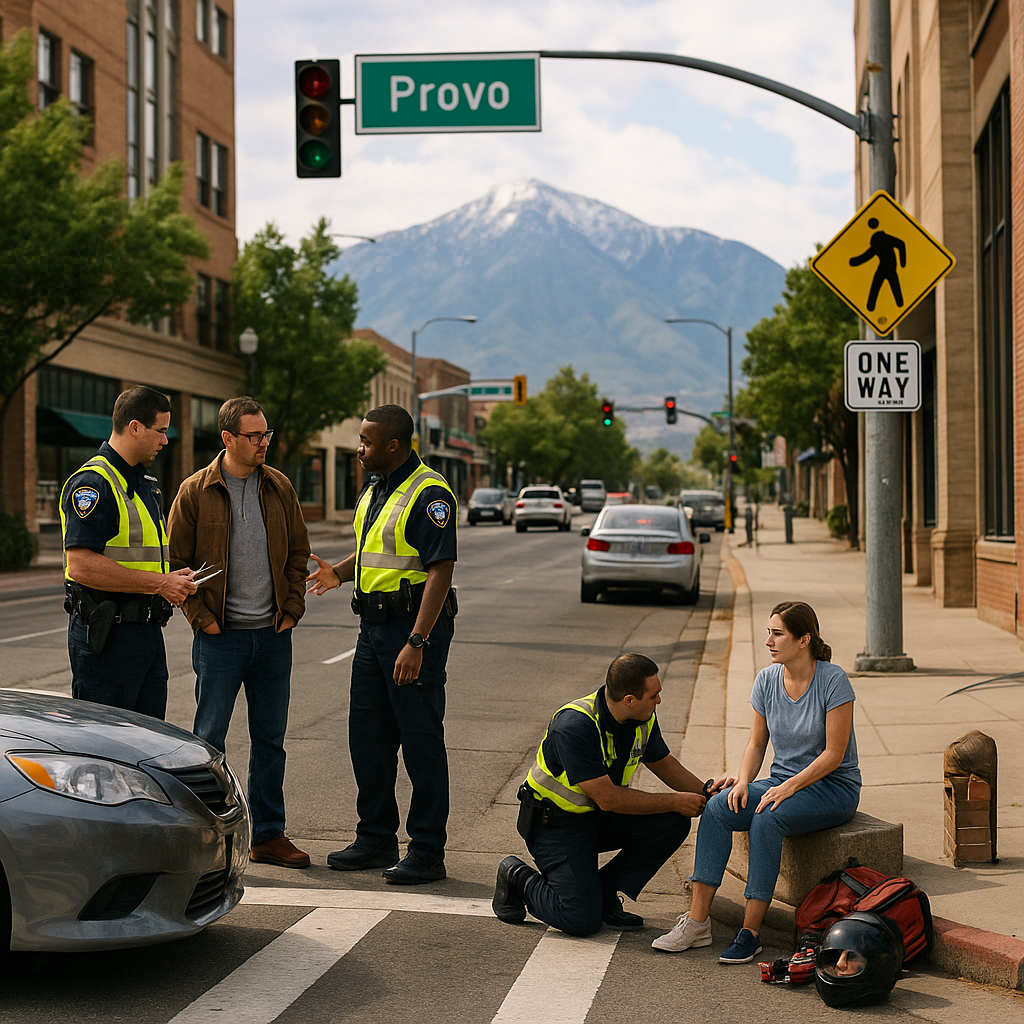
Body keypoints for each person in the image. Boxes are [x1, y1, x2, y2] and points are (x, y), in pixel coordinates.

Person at [652, 600, 860, 963]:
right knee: (718, 806)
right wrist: (745, 780)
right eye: (768, 632)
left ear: (803, 640)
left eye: (777, 633)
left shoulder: (832, 679)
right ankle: (698, 923)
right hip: (782, 781)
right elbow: (756, 742)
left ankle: (750, 933)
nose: (768, 640)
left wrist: (788, 787)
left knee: (767, 816)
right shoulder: (766, 680)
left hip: (833, 787)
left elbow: (833, 755)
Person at [306, 404, 458, 884]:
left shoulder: (430, 492)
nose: (359, 448)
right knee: (367, 739)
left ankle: (428, 850)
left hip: (410, 630)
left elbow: (440, 569)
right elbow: (377, 547)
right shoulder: (377, 487)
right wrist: (339, 572)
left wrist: (417, 640)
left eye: (367, 441)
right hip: (371, 630)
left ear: (394, 444)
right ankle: (375, 839)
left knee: (420, 740)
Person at [167, 397, 311, 869]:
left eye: (265, 434)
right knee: (209, 739)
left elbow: (297, 551)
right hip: (220, 638)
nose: (263, 442)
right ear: (227, 438)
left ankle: (268, 835)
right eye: (254, 436)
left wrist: (291, 608)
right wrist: (202, 619)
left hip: (272, 635)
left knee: (270, 741)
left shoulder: (280, 487)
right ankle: (204, 838)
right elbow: (177, 565)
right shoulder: (194, 491)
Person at [491, 653, 709, 937]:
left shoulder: (640, 717)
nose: (658, 701)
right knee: (580, 919)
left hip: (597, 819)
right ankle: (516, 876)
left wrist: (707, 791)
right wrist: (676, 800)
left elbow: (663, 762)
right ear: (629, 699)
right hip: (555, 827)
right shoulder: (575, 726)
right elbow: (609, 798)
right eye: (654, 695)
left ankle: (603, 893)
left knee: (672, 821)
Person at [60, 385, 197, 719]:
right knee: (105, 750)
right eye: (161, 431)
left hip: (146, 633)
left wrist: (167, 579)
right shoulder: (94, 484)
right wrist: (159, 584)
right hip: (108, 638)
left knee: (147, 745)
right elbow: (80, 566)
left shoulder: (145, 483)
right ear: (135, 427)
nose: (166, 440)